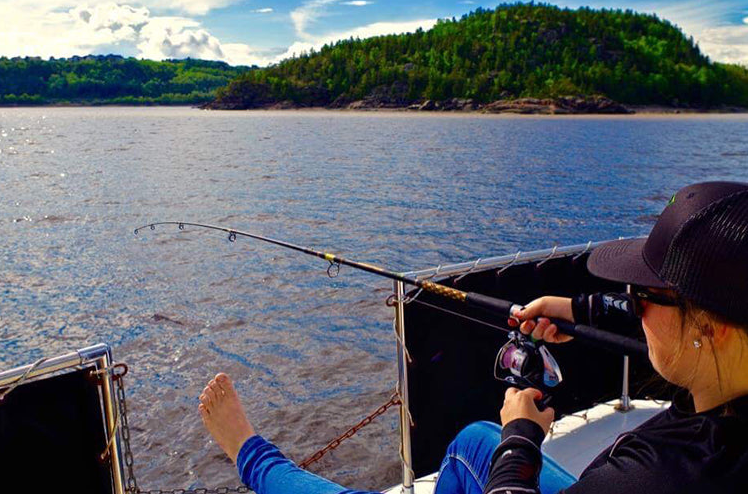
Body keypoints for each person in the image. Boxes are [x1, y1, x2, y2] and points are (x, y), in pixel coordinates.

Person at [197, 181, 748, 494]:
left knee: (494, 439)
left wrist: (523, 437)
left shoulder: (660, 477)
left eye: (644, 296)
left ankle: (252, 456)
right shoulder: (727, 382)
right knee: (473, 441)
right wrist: (577, 307)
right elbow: (667, 322)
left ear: (716, 330)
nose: (631, 302)